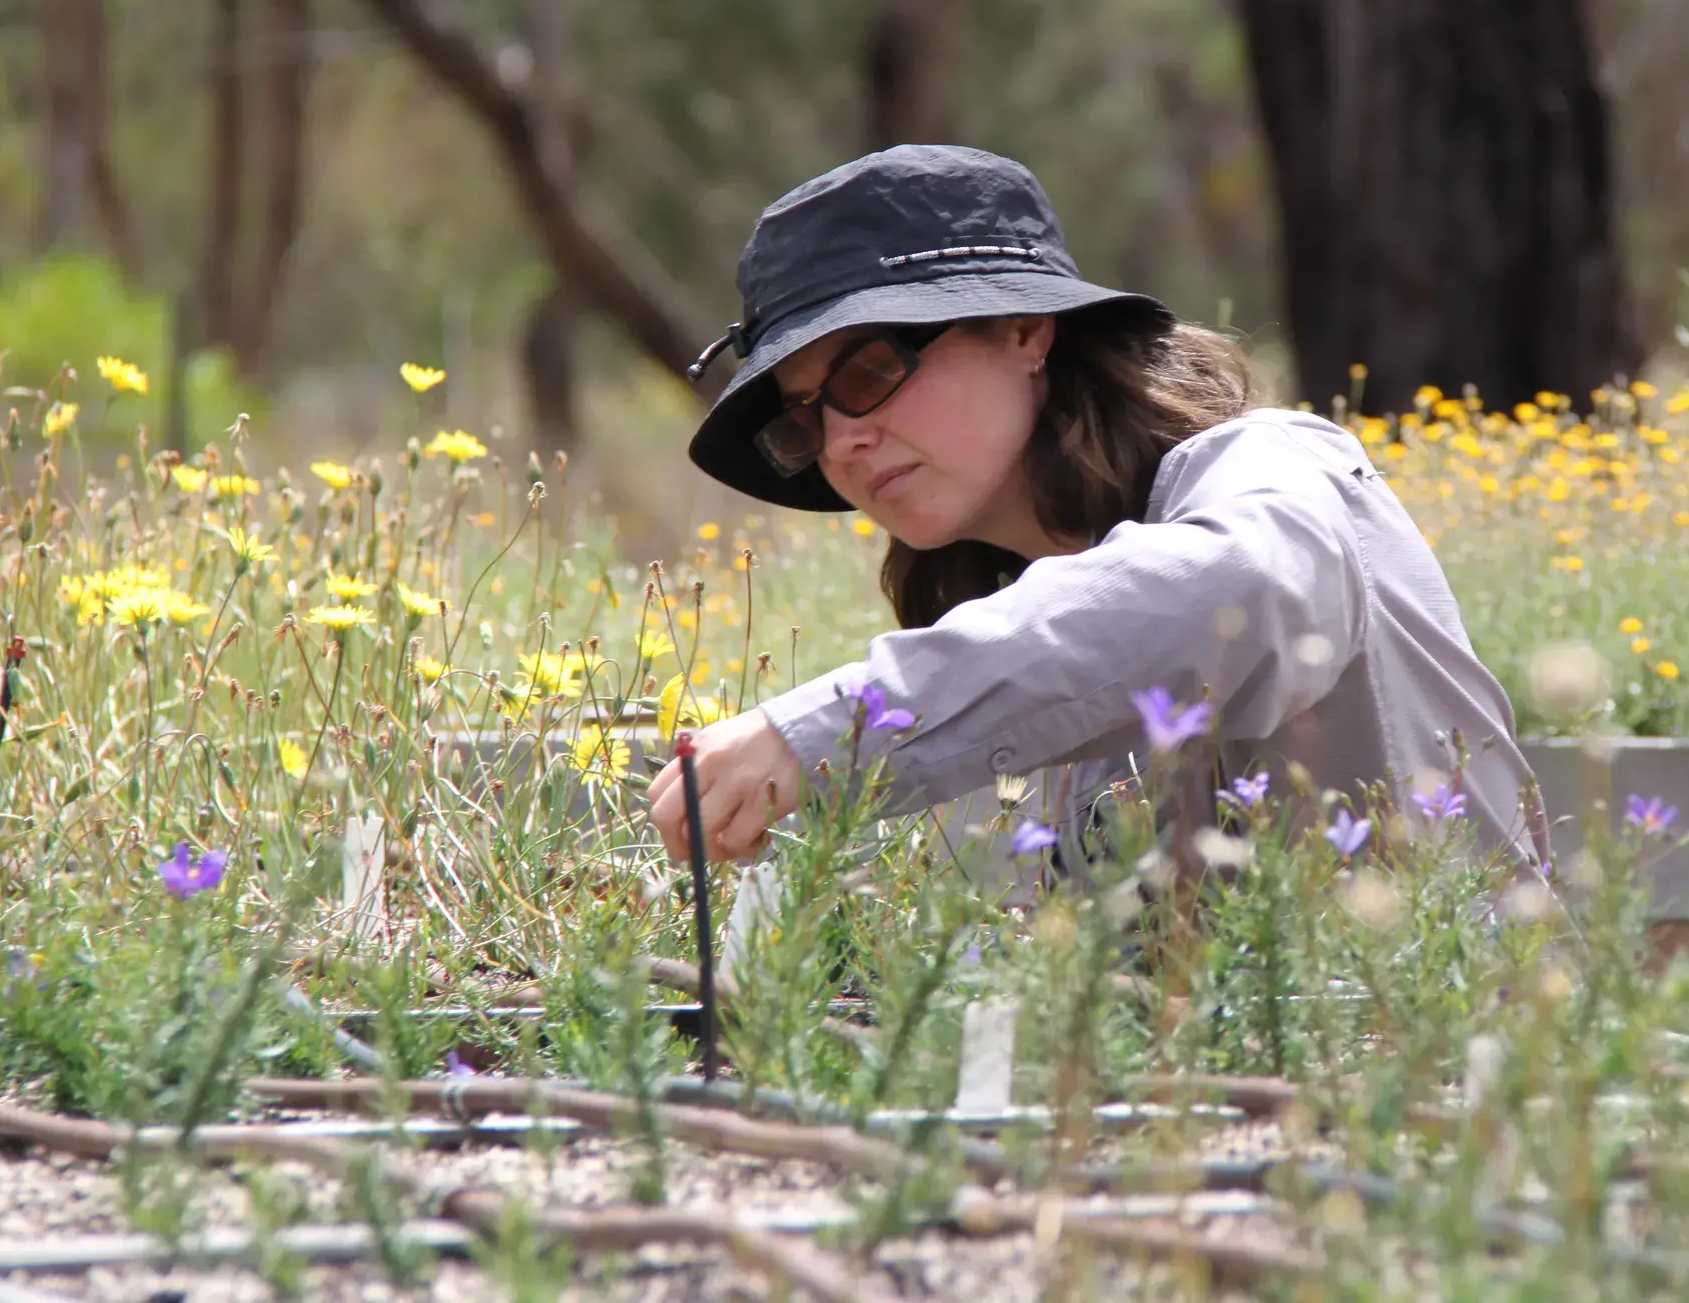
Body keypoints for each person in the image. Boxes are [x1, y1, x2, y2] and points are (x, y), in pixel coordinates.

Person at [647, 144, 1546, 874]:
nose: (843, 440)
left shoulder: (1274, 470)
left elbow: (1242, 590)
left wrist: (828, 731)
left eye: (868, 372)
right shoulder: (1019, 621)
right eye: (806, 419)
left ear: (1026, 331)